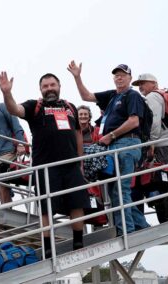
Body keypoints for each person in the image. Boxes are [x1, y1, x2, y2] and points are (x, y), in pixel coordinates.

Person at [0, 71, 90, 252]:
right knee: (47, 209)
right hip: (46, 168)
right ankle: (48, 247)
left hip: (71, 165)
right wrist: (7, 93)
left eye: (52, 85)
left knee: (77, 203)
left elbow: (77, 133)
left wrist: (80, 161)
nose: (49, 89)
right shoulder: (35, 106)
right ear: (40, 89)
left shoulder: (70, 107)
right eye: (45, 86)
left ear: (59, 86)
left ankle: (78, 242)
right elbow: (15, 109)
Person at [68, 61, 150, 235]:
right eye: (116, 74)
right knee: (115, 192)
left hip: (126, 144)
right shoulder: (113, 96)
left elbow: (134, 121)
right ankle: (141, 226)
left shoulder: (132, 95)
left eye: (123, 74)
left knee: (121, 189)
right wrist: (77, 77)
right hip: (113, 146)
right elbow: (86, 96)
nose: (119, 77)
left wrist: (111, 135)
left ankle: (126, 231)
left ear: (129, 78)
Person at [131, 73, 168, 223]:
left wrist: (150, 144)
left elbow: (153, 122)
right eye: (139, 84)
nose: (140, 87)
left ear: (154, 83)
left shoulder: (152, 96)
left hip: (163, 146)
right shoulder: (165, 94)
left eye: (143, 83)